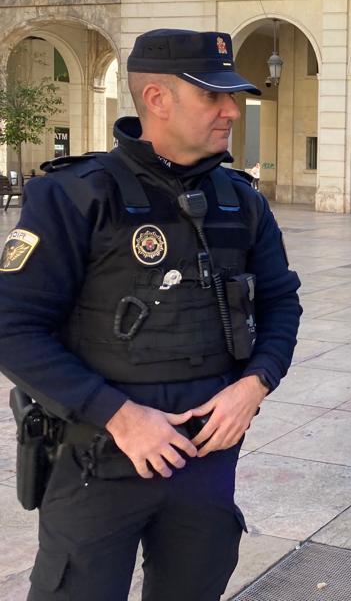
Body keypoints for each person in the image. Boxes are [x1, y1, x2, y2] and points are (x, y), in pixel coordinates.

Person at [0, 29, 302, 601]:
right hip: (96, 459)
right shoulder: (75, 195)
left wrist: (255, 385)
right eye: (213, 95)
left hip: (205, 459)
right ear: (158, 99)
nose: (232, 110)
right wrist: (119, 417)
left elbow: (281, 302)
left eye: (231, 96)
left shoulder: (241, 200)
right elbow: (11, 327)